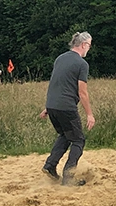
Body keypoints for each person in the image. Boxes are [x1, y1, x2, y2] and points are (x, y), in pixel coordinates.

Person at [39, 32, 95, 186]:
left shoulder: (60, 58)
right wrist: (89, 114)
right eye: (89, 45)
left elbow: (55, 83)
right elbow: (82, 92)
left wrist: (48, 107)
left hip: (53, 105)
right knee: (78, 140)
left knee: (65, 134)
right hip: (66, 107)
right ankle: (68, 177)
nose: (89, 49)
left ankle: (50, 165)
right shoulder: (82, 64)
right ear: (83, 45)